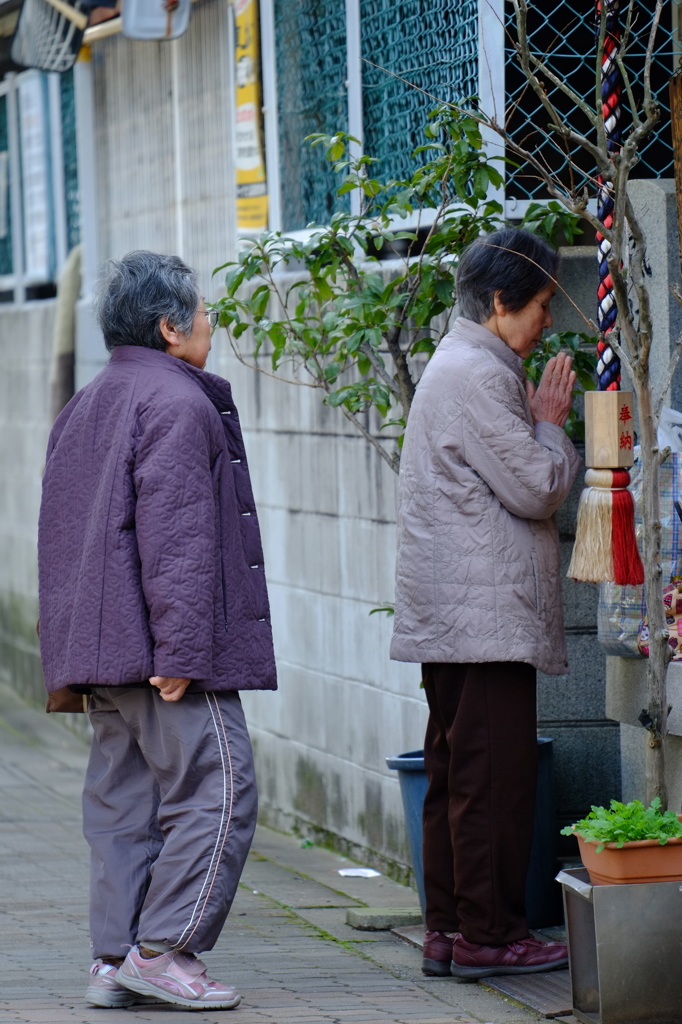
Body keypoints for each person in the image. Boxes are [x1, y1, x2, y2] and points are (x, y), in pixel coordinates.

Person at [37, 251, 277, 1010]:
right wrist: (180, 652)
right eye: (204, 312)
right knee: (222, 787)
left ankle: (112, 962)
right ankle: (165, 950)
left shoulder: (89, 401)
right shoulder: (177, 404)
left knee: (122, 807)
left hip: (97, 653)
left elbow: (62, 535)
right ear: (171, 328)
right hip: (157, 654)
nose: (213, 322)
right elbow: (176, 539)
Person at [390, 228, 580, 979]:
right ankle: (490, 936)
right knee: (492, 784)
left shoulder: (460, 363)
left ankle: (451, 931)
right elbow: (537, 483)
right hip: (485, 618)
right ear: (499, 303)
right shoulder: (478, 373)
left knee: (458, 778)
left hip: (457, 617)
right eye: (538, 306)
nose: (546, 324)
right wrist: (549, 426)